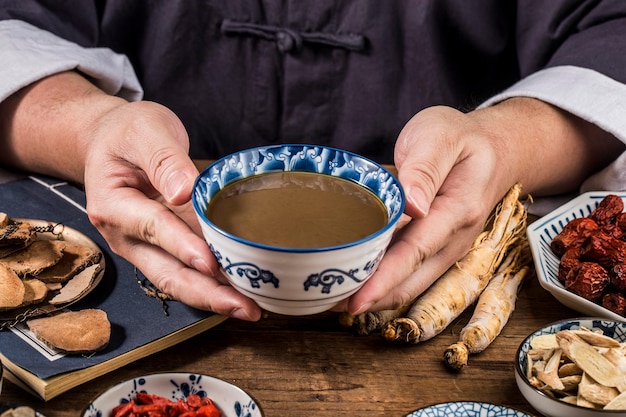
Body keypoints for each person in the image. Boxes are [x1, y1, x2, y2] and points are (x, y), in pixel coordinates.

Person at [0, 1, 625, 321]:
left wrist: (501, 144)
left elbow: (611, 32)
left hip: (445, 259)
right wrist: (91, 129)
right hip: (143, 258)